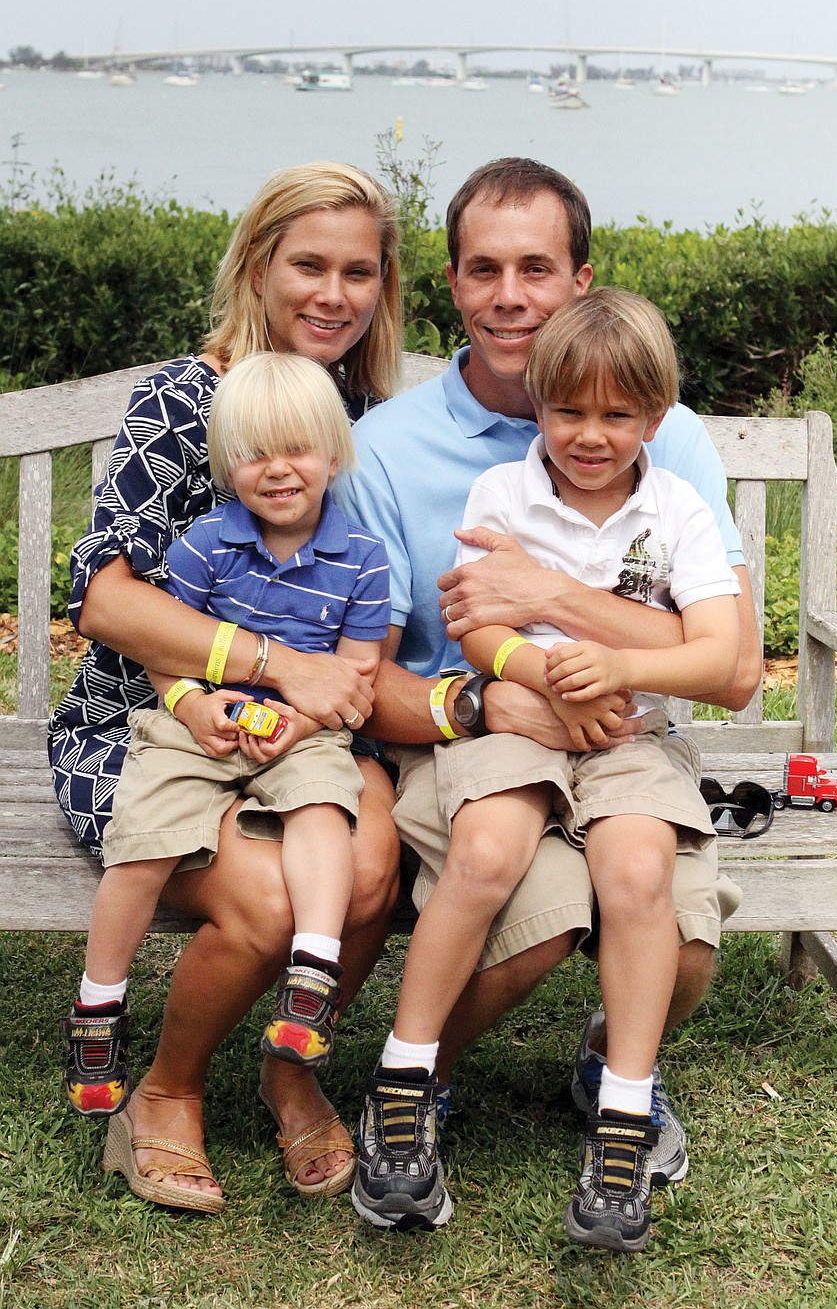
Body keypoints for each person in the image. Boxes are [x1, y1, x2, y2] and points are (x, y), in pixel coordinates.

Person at [335, 158, 762, 1231]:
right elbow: (383, 662)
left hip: (625, 738)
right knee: (527, 897)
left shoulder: (674, 456)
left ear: (579, 279)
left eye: (536, 266)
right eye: (485, 269)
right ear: (451, 284)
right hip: (491, 742)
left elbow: (731, 661)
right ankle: (410, 1080)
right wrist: (497, 690)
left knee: (673, 930)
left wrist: (564, 613)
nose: (511, 295)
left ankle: (613, 1085)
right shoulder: (412, 455)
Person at [49, 162, 403, 1212]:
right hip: (149, 721)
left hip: (315, 731)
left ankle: (288, 1066)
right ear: (256, 265)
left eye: (358, 271)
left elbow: (379, 595)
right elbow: (103, 599)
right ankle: (163, 1091)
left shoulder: (362, 418)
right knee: (262, 897)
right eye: (307, 264)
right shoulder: (183, 398)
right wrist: (265, 665)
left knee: (373, 860)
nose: (332, 293)